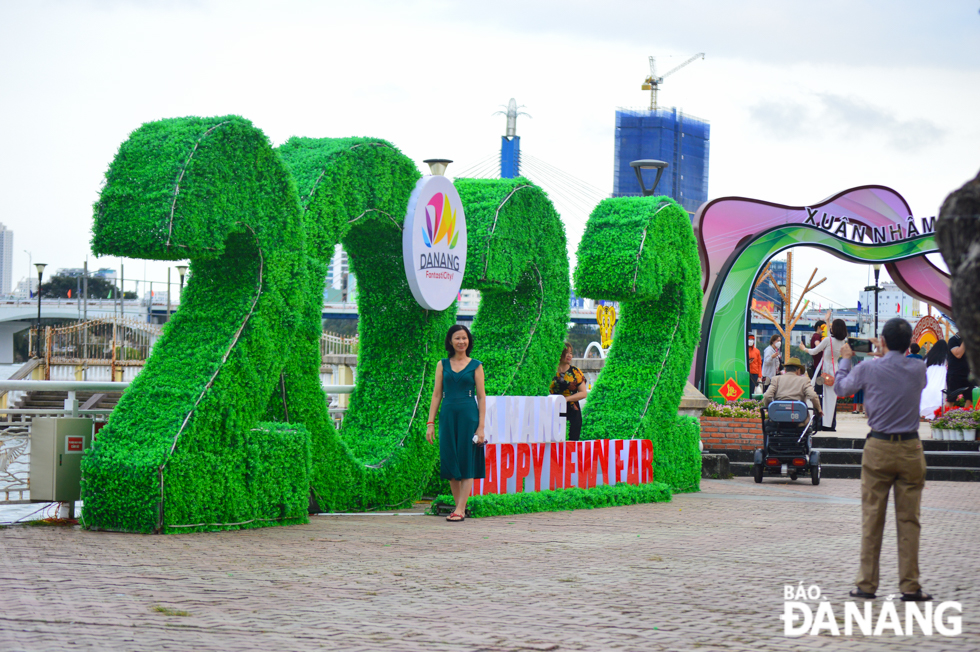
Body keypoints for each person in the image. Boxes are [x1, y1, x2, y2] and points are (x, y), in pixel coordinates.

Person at [835, 317, 931, 602]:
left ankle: (866, 585)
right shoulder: (919, 368)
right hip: (911, 447)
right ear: (910, 341)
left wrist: (845, 360)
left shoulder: (867, 367)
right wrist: (888, 351)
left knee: (872, 517)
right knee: (909, 520)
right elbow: (905, 363)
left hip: (878, 447)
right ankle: (910, 586)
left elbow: (842, 389)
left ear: (883, 341)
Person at [425, 325, 486, 522]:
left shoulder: (476, 365)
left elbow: (482, 397)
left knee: (467, 460)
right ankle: (460, 507)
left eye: (464, 338)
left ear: (469, 341)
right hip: (447, 415)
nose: (461, 342)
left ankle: (459, 509)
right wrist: (430, 423)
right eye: (457, 338)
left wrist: (481, 427)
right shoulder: (442, 364)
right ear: (450, 341)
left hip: (469, 415)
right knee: (451, 461)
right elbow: (436, 394)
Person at [805, 318, 848, 431]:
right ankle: (830, 425)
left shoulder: (827, 340)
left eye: (831, 326)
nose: (829, 328)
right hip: (835, 373)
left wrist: (803, 348)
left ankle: (818, 424)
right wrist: (828, 320)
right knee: (832, 399)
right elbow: (830, 336)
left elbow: (814, 351)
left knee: (819, 397)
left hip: (823, 372)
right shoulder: (842, 341)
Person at [550, 342, 588, 441]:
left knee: (572, 443)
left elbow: (583, 393)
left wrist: (566, 399)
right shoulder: (550, 371)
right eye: (566, 352)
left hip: (572, 411)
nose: (569, 355)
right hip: (552, 410)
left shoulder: (575, 372)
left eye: (570, 353)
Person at [919, 340, 948, 420]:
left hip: (928, 384)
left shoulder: (928, 357)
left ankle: (924, 415)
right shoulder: (946, 358)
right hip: (940, 383)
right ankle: (935, 415)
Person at [946, 331, 975, 405]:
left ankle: (967, 416)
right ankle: (944, 416)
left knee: (970, 399)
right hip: (955, 374)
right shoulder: (953, 340)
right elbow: (958, 354)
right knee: (951, 400)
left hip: (968, 374)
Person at [809, 319, 827, 383]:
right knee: (820, 384)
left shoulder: (817, 336)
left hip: (818, 364)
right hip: (819, 364)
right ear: (819, 327)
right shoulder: (816, 336)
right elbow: (818, 346)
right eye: (824, 327)